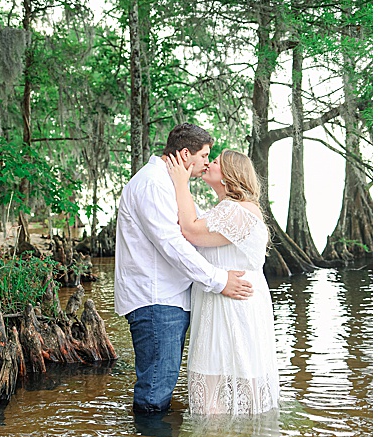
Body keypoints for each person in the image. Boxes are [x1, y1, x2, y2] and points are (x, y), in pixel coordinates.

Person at [114, 123, 254, 414]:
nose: (206, 162)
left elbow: (194, 232)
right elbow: (172, 244)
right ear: (186, 153)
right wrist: (219, 281)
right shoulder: (153, 183)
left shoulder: (166, 184)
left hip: (169, 299)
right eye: (204, 155)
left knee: (162, 382)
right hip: (156, 300)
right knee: (155, 389)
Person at [165, 148, 280, 415]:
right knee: (224, 373)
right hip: (224, 296)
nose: (208, 163)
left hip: (234, 301)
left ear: (229, 175)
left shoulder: (236, 211)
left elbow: (191, 230)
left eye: (215, 161)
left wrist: (181, 182)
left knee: (226, 371)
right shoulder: (226, 210)